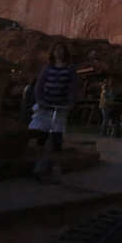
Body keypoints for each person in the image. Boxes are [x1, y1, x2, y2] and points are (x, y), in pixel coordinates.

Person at [29, 42, 80, 182]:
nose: (59, 52)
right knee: (41, 138)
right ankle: (38, 166)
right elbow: (39, 85)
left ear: (65, 52)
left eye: (61, 49)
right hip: (45, 107)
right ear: (53, 52)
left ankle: (53, 169)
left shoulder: (70, 69)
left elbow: (73, 88)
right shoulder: (47, 68)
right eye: (57, 50)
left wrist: (70, 103)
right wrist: (40, 100)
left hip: (60, 108)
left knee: (56, 140)